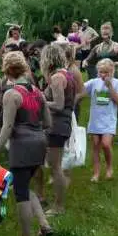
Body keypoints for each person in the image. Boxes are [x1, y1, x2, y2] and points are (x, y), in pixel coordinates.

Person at [0, 51, 53, 236]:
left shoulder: (11, 94)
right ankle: (44, 225)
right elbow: (48, 122)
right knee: (24, 184)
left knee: (20, 193)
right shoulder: (37, 91)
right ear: (24, 67)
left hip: (22, 145)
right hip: (40, 143)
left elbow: (7, 127)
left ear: (6, 70)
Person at [40, 44, 78, 216]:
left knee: (56, 168)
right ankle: (57, 203)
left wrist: (39, 101)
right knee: (56, 166)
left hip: (57, 124)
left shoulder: (57, 77)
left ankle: (58, 206)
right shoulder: (67, 74)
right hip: (62, 123)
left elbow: (58, 104)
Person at [79, 59, 118, 181]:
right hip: (95, 120)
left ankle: (109, 167)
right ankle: (96, 173)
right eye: (101, 72)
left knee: (105, 144)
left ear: (112, 71)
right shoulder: (94, 82)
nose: (103, 75)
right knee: (95, 146)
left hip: (109, 120)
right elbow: (81, 90)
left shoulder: (117, 83)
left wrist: (110, 87)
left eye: (106, 72)